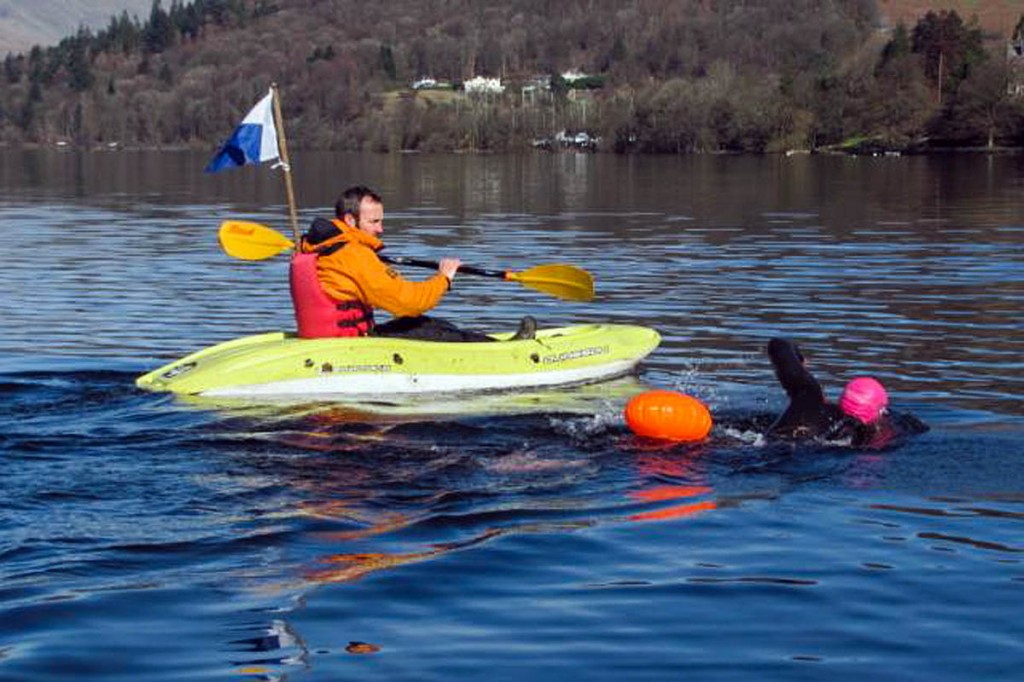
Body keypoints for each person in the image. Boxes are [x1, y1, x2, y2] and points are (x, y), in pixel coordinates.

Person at [290, 185, 536, 342]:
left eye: (381, 221)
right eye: (374, 222)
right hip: (350, 343)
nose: (381, 229)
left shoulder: (313, 247)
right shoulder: (354, 254)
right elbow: (407, 303)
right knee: (430, 326)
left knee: (425, 325)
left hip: (324, 338)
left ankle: (490, 343)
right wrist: (443, 279)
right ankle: (507, 352)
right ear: (350, 221)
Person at [765, 338, 926, 447]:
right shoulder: (866, 436)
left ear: (843, 398)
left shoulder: (808, 396)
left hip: (756, 445)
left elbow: (778, 345)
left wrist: (800, 359)